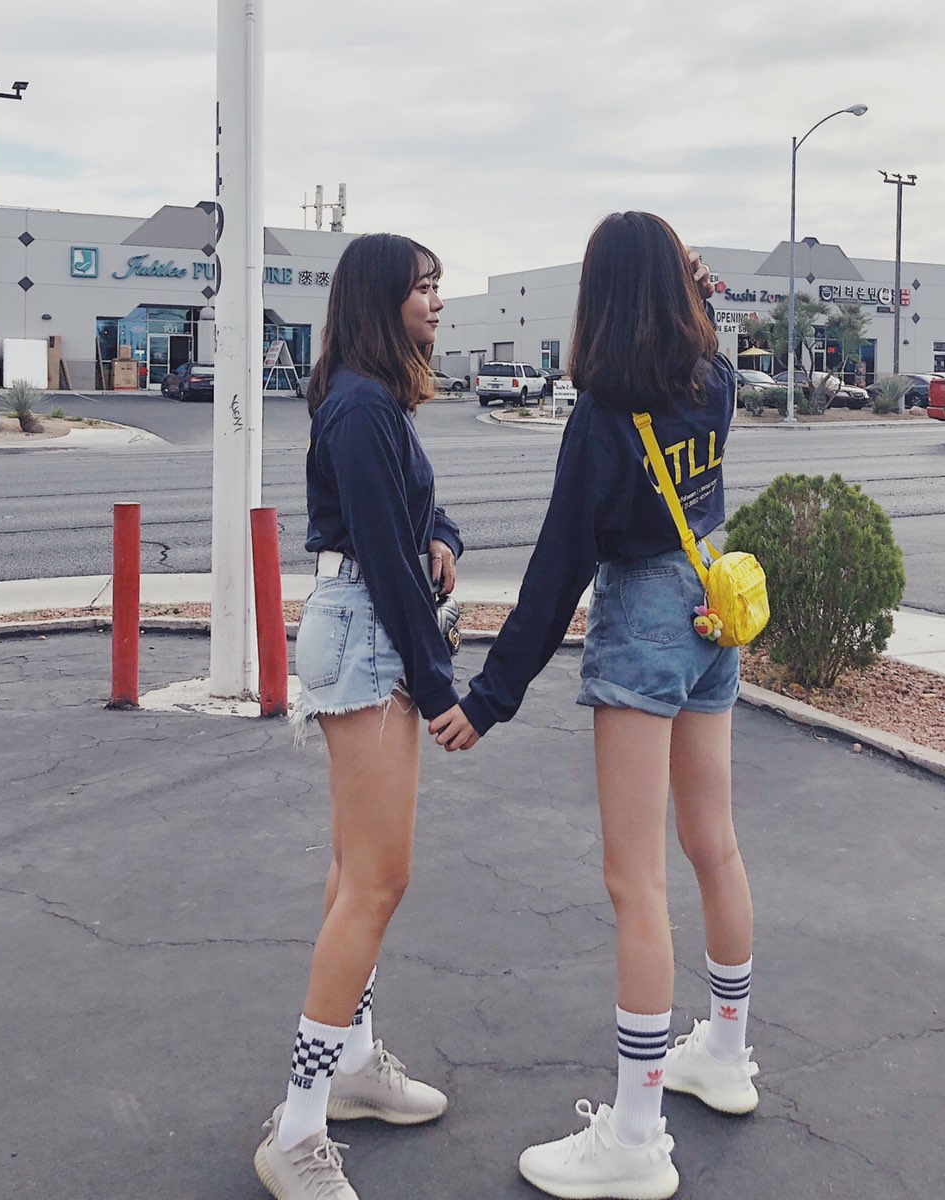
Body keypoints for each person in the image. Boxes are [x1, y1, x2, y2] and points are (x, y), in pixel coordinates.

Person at [430, 211, 758, 1200]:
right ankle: (726, 1055)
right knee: (714, 845)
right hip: (711, 608)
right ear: (678, 287)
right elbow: (706, 340)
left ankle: (636, 1137)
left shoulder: (605, 418)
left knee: (635, 881)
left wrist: (490, 697)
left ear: (601, 296)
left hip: (647, 620)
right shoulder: (714, 383)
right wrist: (699, 292)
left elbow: (559, 567)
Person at [254, 233, 460, 1200]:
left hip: (366, 625)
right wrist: (439, 681)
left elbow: (408, 518)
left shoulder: (372, 398)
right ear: (382, 298)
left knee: (355, 873)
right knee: (379, 880)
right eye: (423, 288)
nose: (436, 303)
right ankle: (297, 1126)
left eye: (439, 287)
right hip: (368, 631)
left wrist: (444, 535)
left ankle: (353, 1062)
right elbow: (381, 554)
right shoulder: (361, 405)